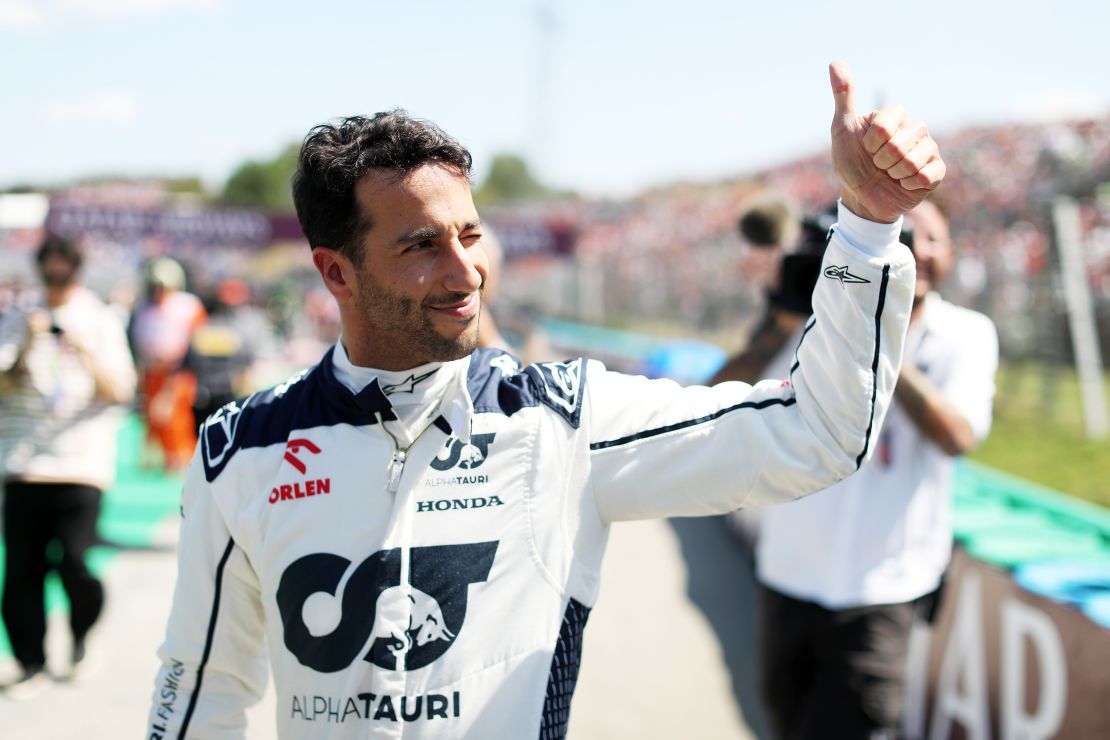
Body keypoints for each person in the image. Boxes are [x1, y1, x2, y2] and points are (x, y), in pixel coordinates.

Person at [148, 61, 944, 739]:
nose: (466, 274)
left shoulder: (562, 419)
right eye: (421, 246)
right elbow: (198, 694)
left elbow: (818, 433)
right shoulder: (239, 450)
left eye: (469, 234)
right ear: (335, 274)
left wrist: (869, 228)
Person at [720, 200, 998, 739]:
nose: (914, 249)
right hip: (788, 578)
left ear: (951, 255)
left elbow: (957, 435)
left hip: (884, 590)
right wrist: (792, 318)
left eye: (926, 238)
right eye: (901, 237)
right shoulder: (819, 317)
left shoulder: (965, 334)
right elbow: (718, 394)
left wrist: (877, 332)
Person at [0, 234, 136, 696]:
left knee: (76, 562)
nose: (56, 281)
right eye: (49, 273)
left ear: (75, 272)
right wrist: (24, 346)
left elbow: (120, 390)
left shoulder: (99, 319)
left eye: (64, 274)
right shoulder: (19, 317)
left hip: (82, 462)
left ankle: (81, 635)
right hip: (23, 462)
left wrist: (82, 348)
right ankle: (30, 661)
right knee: (22, 570)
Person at [128, 256, 206, 472]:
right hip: (152, 372)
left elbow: (195, 345)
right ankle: (160, 459)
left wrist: (176, 375)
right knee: (153, 418)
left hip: (179, 373)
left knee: (175, 418)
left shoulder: (188, 307)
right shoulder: (144, 309)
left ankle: (182, 462)